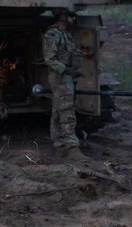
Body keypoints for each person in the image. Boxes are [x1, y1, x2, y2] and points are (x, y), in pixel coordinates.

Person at [43, 9, 86, 161]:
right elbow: (49, 58)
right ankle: (72, 148)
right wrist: (65, 69)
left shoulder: (65, 34)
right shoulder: (54, 34)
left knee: (58, 110)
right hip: (60, 76)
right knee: (67, 110)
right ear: (62, 16)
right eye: (70, 16)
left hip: (65, 75)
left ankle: (59, 146)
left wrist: (73, 69)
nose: (74, 18)